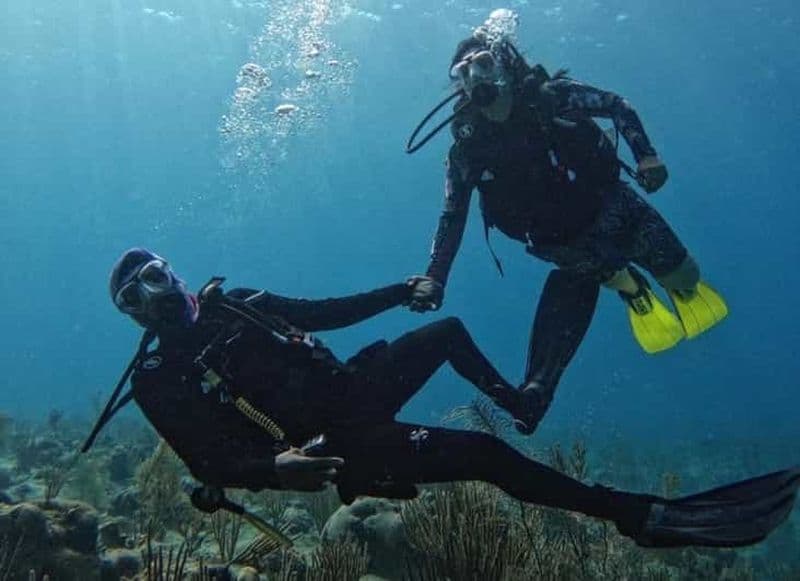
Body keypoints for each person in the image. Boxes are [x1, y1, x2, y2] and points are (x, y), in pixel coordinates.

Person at [88, 247, 799, 550]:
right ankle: (639, 515)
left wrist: (401, 292)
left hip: (355, 387)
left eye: (152, 274)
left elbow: (327, 311)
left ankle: (522, 401)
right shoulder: (157, 378)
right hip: (338, 448)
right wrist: (278, 470)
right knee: (485, 455)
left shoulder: (239, 303)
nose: (150, 294)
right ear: (130, 316)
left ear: (172, 270)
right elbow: (207, 461)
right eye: (132, 296)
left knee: (449, 331)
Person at [406, 11, 729, 435]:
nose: (474, 76)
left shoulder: (552, 97)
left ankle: (651, 283)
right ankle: (631, 291)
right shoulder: (467, 148)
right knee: (595, 273)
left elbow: (617, 106)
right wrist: (436, 277)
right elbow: (453, 213)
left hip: (616, 206)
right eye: (463, 72)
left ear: (504, 63)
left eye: (484, 62)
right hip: (560, 240)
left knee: (686, 276)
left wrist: (646, 155)